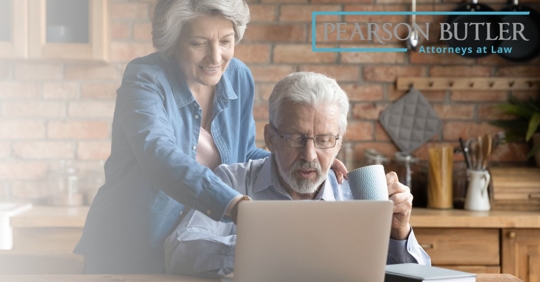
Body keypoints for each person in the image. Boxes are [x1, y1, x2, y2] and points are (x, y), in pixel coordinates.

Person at [74, 0, 345, 274]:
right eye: (199, 43)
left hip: (192, 251)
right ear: (173, 41)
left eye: (226, 41)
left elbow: (246, 152)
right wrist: (233, 203)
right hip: (132, 248)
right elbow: (158, 155)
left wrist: (302, 158)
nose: (215, 57)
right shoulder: (145, 79)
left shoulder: (238, 76)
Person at [163, 72, 432, 277]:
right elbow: (179, 250)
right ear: (271, 137)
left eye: (324, 140)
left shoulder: (358, 193)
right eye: (296, 138)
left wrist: (399, 233)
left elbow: (417, 276)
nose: (309, 155)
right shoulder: (231, 181)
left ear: (338, 143)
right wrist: (262, 252)